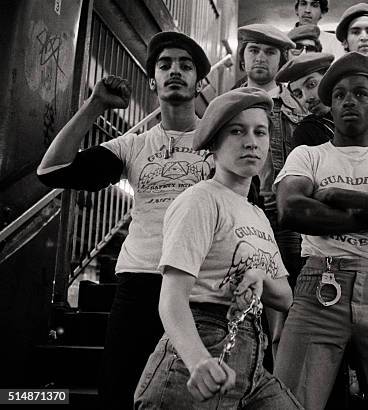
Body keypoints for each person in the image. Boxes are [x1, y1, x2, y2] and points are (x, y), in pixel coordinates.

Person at [37, 32, 212, 409]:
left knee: (195, 397)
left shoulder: (220, 143)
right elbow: (52, 170)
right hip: (140, 283)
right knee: (119, 392)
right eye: (165, 65)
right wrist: (94, 105)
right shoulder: (133, 145)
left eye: (185, 65)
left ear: (201, 82)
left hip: (202, 284)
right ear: (153, 81)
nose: (175, 71)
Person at [273, 51, 368, 410]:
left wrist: (336, 196)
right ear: (329, 105)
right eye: (340, 94)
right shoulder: (308, 155)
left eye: (360, 93)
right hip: (320, 287)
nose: (349, 101)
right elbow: (291, 209)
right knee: (287, 402)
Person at [133, 87, 301, 410]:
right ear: (213, 143)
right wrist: (198, 361)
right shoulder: (200, 200)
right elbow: (171, 299)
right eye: (237, 131)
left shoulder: (257, 215)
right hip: (199, 349)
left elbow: (285, 296)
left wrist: (258, 278)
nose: (251, 141)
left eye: (260, 131)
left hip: (251, 357)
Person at [237, 23, 306, 362]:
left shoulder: (296, 107)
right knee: (246, 301)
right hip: (243, 213)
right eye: (253, 50)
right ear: (242, 57)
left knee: (291, 300)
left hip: (289, 215)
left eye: (269, 51)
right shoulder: (228, 105)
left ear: (282, 59)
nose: (261, 57)